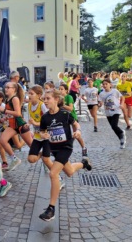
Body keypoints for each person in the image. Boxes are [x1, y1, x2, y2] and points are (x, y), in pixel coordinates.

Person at [38, 89, 92, 221]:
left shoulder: (65, 114)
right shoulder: (45, 117)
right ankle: (84, 163)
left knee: (53, 173)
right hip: (54, 149)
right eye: (44, 99)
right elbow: (42, 131)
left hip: (66, 147)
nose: (45, 101)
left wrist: (78, 131)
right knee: (69, 171)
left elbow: (76, 124)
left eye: (48, 98)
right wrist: (43, 135)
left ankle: (51, 209)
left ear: (56, 99)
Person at [0, 81, 33, 171]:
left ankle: (45, 159)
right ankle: (14, 159)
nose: (6, 89)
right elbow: (10, 114)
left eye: (8, 87)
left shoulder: (15, 99)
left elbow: (18, 113)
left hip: (20, 125)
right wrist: (4, 119)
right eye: (6, 87)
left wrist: (4, 110)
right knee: (2, 140)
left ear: (14, 89)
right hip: (12, 125)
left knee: (33, 148)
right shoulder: (8, 99)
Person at [0, 91, 26, 170]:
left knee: (16, 145)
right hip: (6, 126)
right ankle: (5, 162)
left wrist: (4, 117)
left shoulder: (4, 105)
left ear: (1, 98)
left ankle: (27, 138)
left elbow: (13, 114)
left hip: (10, 126)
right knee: (1, 144)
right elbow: (6, 116)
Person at [59, 83, 88, 156]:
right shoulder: (59, 98)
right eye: (59, 89)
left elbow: (71, 108)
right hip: (64, 118)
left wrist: (62, 105)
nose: (60, 91)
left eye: (62, 89)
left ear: (66, 90)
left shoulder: (69, 97)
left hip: (72, 117)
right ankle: (63, 148)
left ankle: (84, 147)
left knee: (76, 134)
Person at [98, 79, 126, 149]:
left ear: (110, 84)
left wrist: (122, 104)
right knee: (113, 127)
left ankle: (122, 138)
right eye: (103, 84)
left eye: (106, 84)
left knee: (114, 126)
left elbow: (122, 97)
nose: (104, 85)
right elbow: (100, 103)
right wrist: (99, 105)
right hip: (108, 112)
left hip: (116, 110)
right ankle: (121, 137)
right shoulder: (101, 94)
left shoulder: (115, 91)